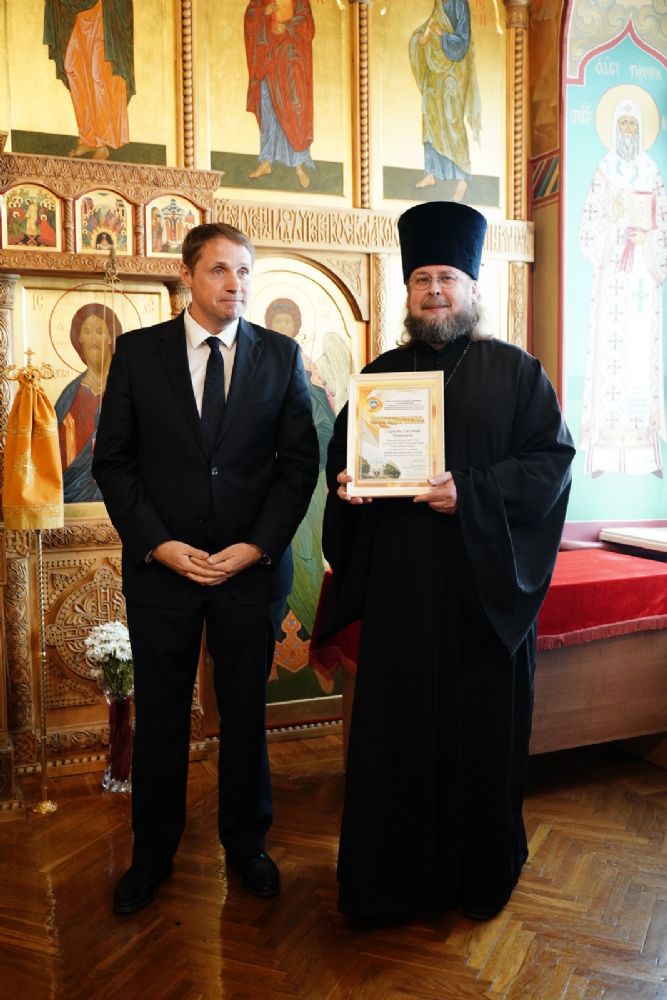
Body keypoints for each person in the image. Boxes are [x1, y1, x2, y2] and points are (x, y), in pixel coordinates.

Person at [321, 201, 575, 922]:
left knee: (480, 737)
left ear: (472, 289)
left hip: (482, 594)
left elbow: (551, 464)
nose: (434, 291)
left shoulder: (517, 373)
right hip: (401, 592)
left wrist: (472, 491)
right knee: (398, 737)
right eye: (421, 280)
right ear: (407, 293)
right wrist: (349, 487)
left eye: (447, 279)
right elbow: (345, 466)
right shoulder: (379, 378)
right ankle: (393, 883)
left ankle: (478, 875)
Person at [92, 222, 319, 914]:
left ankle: (247, 846)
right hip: (164, 571)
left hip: (249, 572)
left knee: (245, 714)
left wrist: (257, 546)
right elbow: (113, 463)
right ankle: (152, 855)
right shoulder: (139, 354)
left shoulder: (281, 356)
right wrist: (158, 544)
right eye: (219, 270)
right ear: (187, 275)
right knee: (162, 715)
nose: (235, 284)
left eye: (244, 271)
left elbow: (298, 466)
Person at [579, 97, 667, 478]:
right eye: (624, 126)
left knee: (640, 361)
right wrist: (615, 226)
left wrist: (648, 239)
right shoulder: (603, 171)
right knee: (609, 361)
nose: (629, 132)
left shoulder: (652, 171)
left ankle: (646, 458)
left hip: (642, 281)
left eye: (634, 126)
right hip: (613, 278)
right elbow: (589, 224)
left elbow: (664, 221)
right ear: (615, 130)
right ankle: (602, 457)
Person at [43, 0, 135, 160]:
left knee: (99, 75)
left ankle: (103, 143)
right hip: (79, 14)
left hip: (103, 11)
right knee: (72, 67)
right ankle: (89, 138)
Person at [409, 0, 481, 200]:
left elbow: (463, 42)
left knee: (452, 119)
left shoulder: (460, 4)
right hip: (435, 70)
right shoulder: (439, 3)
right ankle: (431, 172)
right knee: (430, 115)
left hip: (454, 72)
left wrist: (442, 34)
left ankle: (463, 177)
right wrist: (422, 39)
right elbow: (429, 26)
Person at [244, 0, 316, 190]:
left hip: (291, 59)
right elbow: (251, 13)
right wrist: (264, 12)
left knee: (294, 109)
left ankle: (298, 165)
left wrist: (287, 27)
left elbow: (307, 23)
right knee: (268, 108)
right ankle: (266, 161)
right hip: (268, 58)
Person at [55, 302, 121, 503]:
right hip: (73, 493)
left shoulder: (127, 386)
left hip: (122, 487)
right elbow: (53, 449)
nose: (93, 339)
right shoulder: (70, 395)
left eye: (100, 331)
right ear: (79, 338)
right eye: (87, 332)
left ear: (110, 337)